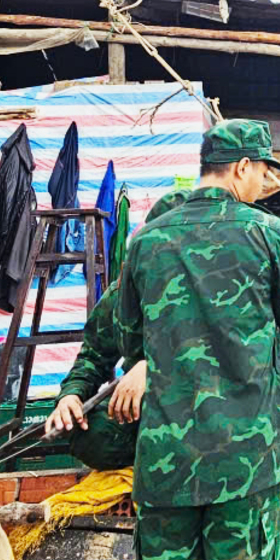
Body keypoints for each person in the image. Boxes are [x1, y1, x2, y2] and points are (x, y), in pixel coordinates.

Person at [118, 119, 280, 560]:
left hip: (166, 466)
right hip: (246, 465)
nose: (263, 183)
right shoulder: (269, 234)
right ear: (241, 168)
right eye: (261, 171)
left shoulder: (145, 243)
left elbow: (131, 345)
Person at [46, 189, 192, 469]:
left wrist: (154, 367)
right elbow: (93, 357)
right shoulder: (125, 293)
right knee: (92, 435)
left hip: (211, 412)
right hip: (149, 411)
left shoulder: (219, 292)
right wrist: (71, 396)